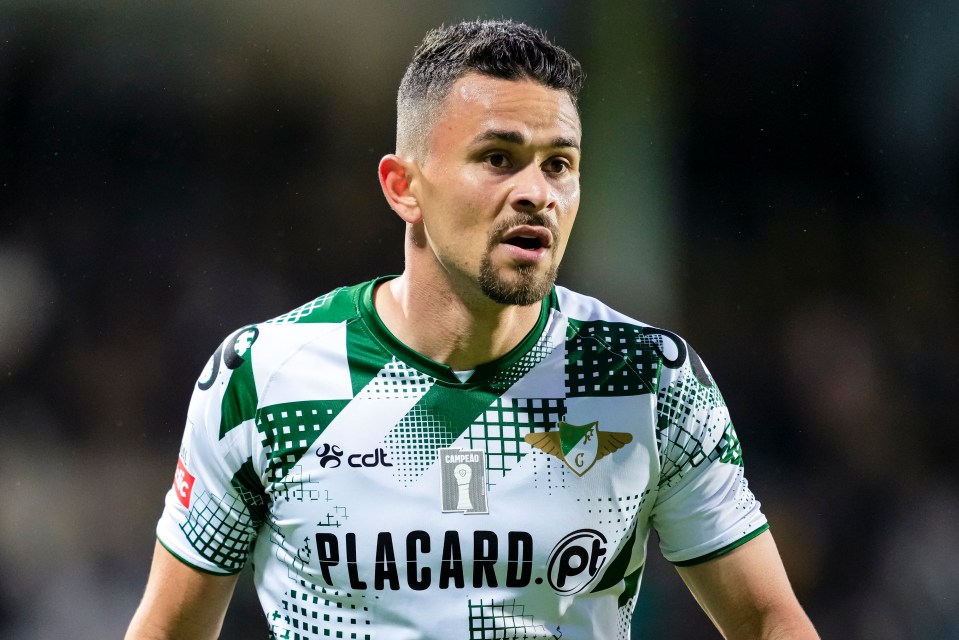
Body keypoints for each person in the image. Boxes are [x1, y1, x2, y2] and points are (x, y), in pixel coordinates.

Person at [126, 19, 818, 640]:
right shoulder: (264, 377)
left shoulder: (643, 378)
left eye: (559, 164)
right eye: (498, 158)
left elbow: (766, 620)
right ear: (404, 186)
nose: (536, 192)